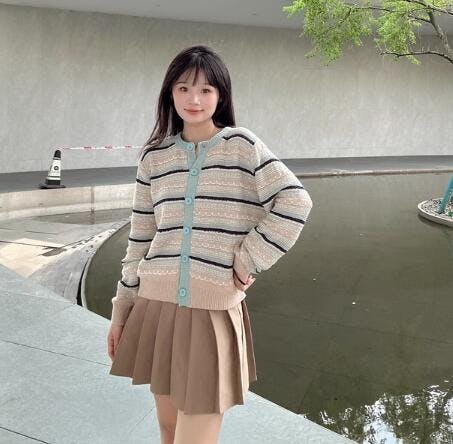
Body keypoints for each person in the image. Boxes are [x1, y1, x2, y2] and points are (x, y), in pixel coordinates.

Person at [107, 44, 313, 444]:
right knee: (168, 429)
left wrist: (247, 261)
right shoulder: (154, 158)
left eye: (205, 89)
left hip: (212, 313)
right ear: (170, 93)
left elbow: (295, 201)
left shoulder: (242, 146)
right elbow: (140, 239)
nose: (194, 99)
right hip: (155, 307)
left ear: (221, 94)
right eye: (183, 88)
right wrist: (121, 311)